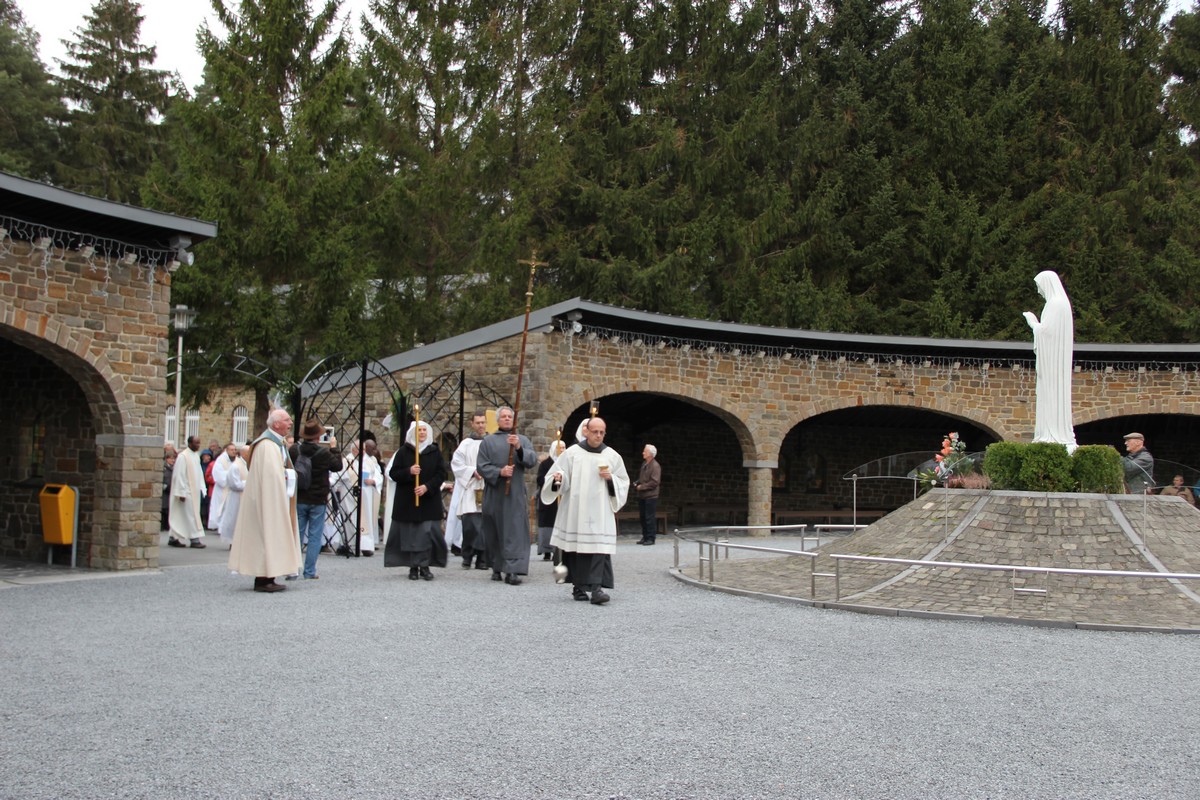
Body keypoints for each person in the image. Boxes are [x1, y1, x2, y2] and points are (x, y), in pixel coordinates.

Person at [542, 417, 630, 605]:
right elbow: (557, 479)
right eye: (595, 431)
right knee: (577, 550)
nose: (598, 435)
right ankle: (579, 588)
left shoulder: (612, 456)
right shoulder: (572, 454)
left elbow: (623, 482)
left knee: (599, 549)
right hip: (577, 510)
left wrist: (611, 479)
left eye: (601, 432)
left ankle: (597, 590)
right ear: (586, 432)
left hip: (600, 511)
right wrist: (558, 479)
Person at [229, 409, 303, 593]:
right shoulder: (267, 446)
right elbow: (270, 477)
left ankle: (270, 576)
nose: (290, 423)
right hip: (268, 501)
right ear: (276, 424)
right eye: (287, 420)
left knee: (272, 535)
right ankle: (264, 578)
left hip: (277, 498)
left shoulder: (276, 444)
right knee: (266, 535)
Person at [476, 406, 536, 585]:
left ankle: (512, 570)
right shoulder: (488, 442)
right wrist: (499, 472)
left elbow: (531, 460)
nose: (507, 419)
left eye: (510, 416)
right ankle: (496, 566)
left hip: (515, 495)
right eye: (504, 417)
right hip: (495, 494)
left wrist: (518, 448)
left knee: (515, 531)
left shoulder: (522, 440)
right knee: (494, 530)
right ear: (498, 420)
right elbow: (482, 466)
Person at [385, 420, 448, 580]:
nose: (422, 433)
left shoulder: (434, 452)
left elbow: (441, 474)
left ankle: (424, 566)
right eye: (419, 430)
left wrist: (427, 487)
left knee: (426, 534)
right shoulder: (403, 452)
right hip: (408, 501)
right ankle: (413, 567)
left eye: (424, 430)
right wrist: (409, 471)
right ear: (413, 433)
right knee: (411, 535)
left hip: (428, 501)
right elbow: (393, 473)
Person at [1022, 271, 1078, 452]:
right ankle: (1049, 434)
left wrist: (1032, 323)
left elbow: (1045, 333)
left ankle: (1052, 435)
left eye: (1039, 286)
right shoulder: (1061, 304)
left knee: (1051, 398)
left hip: (1053, 364)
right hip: (1054, 362)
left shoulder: (1055, 304)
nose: (1039, 291)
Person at [289, 419, 341, 580]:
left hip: (300, 496)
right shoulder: (324, 453)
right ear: (318, 437)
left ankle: (292, 569)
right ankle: (309, 571)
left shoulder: (295, 450)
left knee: (296, 534)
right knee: (314, 536)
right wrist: (334, 448)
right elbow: (337, 466)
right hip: (318, 498)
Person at [450, 411, 490, 570]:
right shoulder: (466, 444)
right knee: (470, 524)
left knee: (485, 524)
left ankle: (482, 558)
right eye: (478, 423)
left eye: (483, 422)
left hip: (487, 487)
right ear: (472, 424)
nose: (481, 425)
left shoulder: (491, 442)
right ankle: (467, 556)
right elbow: (456, 463)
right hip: (470, 487)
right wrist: (473, 471)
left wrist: (487, 472)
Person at [167, 435, 208, 549]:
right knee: (191, 516)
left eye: (199, 443)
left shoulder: (196, 456)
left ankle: (173, 537)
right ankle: (194, 539)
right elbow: (179, 475)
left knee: (182, 516)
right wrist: (181, 492)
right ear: (189, 443)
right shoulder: (183, 456)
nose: (198, 445)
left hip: (194, 491)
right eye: (196, 443)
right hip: (186, 492)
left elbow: (199, 473)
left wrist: (202, 487)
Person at [535, 438, 567, 560]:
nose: (562, 450)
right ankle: (547, 551)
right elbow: (540, 480)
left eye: (563, 448)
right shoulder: (545, 464)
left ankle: (558, 551)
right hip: (548, 499)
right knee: (547, 524)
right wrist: (552, 479)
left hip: (562, 497)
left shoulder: (567, 463)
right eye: (559, 448)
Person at [218, 445, 250, 546]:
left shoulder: (246, 465)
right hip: (235, 497)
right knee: (234, 519)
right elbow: (234, 484)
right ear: (244, 453)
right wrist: (248, 483)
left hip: (244, 496)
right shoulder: (235, 466)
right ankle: (232, 541)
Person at [634, 443, 662, 545]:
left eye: (645, 451)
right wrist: (637, 482)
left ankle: (651, 538)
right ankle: (645, 536)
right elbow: (643, 478)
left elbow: (655, 482)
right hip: (643, 496)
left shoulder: (655, 466)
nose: (643, 453)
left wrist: (642, 487)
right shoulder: (644, 464)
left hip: (651, 496)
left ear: (650, 454)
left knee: (649, 517)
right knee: (643, 517)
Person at [207, 443, 236, 531]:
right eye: (232, 450)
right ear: (226, 450)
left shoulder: (234, 459)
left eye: (235, 450)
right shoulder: (220, 460)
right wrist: (230, 477)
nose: (234, 451)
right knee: (220, 507)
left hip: (230, 489)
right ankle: (219, 525)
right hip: (222, 488)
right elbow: (218, 474)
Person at [161, 451, 175, 532]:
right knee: (164, 509)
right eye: (171, 458)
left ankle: (168, 525)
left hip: (172, 490)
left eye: (174, 458)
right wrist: (166, 487)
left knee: (170, 509)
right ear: (166, 459)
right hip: (165, 491)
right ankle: (163, 525)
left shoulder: (175, 468)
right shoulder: (164, 468)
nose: (173, 460)